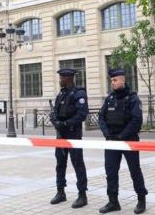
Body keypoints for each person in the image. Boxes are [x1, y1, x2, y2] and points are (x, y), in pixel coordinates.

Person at [98, 69, 147, 214]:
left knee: (134, 171)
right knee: (111, 172)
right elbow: (101, 118)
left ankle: (141, 200)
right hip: (111, 141)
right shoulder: (109, 98)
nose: (112, 83)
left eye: (114, 80)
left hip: (129, 140)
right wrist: (108, 134)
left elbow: (136, 121)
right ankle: (113, 202)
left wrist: (122, 136)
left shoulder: (132, 98)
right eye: (111, 81)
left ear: (122, 81)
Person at [49, 68, 89, 209]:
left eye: (62, 78)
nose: (60, 80)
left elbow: (82, 114)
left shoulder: (79, 93)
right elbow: (54, 112)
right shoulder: (61, 93)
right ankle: (61, 192)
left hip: (73, 134)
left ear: (69, 78)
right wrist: (55, 121)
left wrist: (66, 123)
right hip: (60, 134)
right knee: (60, 163)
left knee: (78, 164)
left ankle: (82, 195)